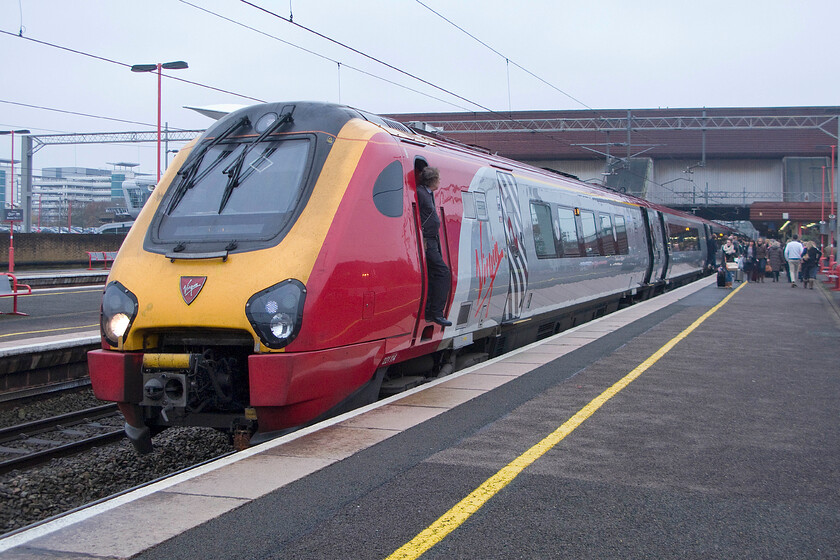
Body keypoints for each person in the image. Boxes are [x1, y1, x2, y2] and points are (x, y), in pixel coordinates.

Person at [416, 166, 452, 326]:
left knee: (434, 274)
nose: (440, 181)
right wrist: (421, 237)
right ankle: (436, 312)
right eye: (439, 178)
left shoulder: (427, 194)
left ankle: (432, 311)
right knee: (443, 273)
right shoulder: (422, 194)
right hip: (428, 240)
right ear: (433, 180)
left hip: (433, 240)